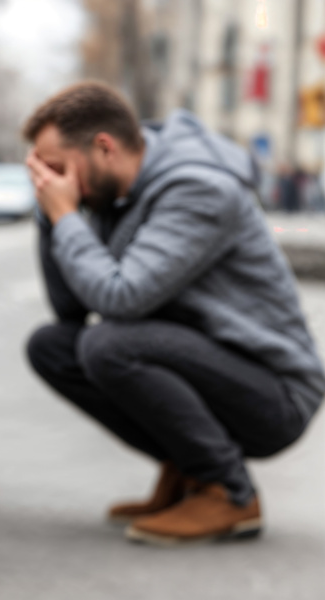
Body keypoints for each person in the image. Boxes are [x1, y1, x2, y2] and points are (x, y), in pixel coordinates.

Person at [22, 82, 324, 545]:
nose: (51, 182)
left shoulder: (200, 188)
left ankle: (229, 492)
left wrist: (65, 218)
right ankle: (189, 472)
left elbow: (119, 298)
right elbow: (72, 310)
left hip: (276, 391)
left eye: (57, 168)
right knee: (54, 347)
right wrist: (51, 218)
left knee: (110, 345)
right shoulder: (111, 194)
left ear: (104, 148)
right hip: (210, 362)